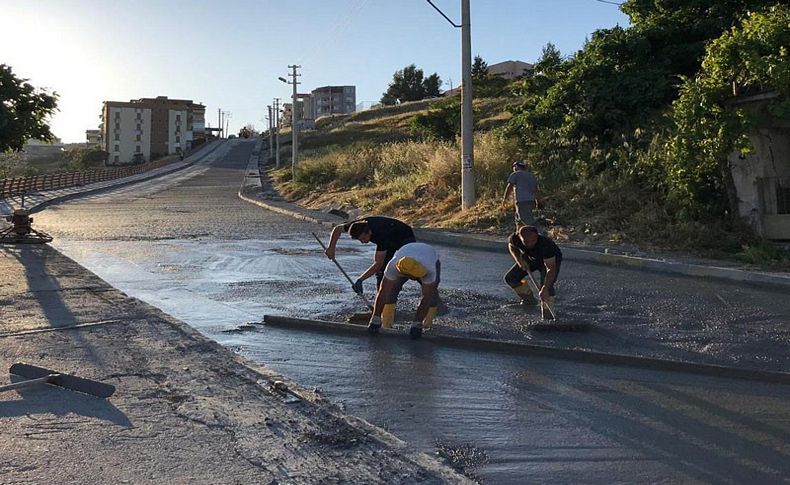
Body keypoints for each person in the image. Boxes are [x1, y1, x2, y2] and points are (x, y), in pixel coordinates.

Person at [325, 216, 416, 295]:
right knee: (381, 273)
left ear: (369, 232)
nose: (363, 242)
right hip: (389, 235)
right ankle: (381, 300)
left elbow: (377, 264)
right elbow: (337, 229)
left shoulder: (381, 235)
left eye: (364, 238)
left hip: (404, 236)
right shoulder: (356, 226)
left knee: (408, 267)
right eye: (360, 240)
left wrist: (360, 280)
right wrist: (331, 248)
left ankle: (426, 290)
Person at [368, 242, 441, 338]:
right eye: (413, 277)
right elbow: (383, 292)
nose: (414, 279)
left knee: (432, 296)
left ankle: (427, 325)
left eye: (417, 277)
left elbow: (425, 299)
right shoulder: (392, 267)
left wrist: (416, 324)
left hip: (429, 256)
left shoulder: (429, 270)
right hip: (405, 255)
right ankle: (385, 323)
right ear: (405, 275)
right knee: (390, 292)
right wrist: (375, 318)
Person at [503, 225, 562, 319]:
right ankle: (529, 300)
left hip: (548, 261)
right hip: (530, 258)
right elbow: (512, 246)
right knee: (511, 278)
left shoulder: (546, 245)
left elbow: (550, 269)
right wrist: (519, 260)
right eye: (526, 242)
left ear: (537, 236)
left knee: (547, 287)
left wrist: (545, 288)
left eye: (533, 241)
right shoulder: (515, 238)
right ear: (519, 236)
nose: (530, 244)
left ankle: (548, 316)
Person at [501, 160, 538, 227]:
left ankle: (542, 234)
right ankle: (519, 235)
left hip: (522, 201)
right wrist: (537, 200)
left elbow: (510, 187)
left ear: (516, 166)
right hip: (531, 200)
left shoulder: (515, 174)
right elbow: (535, 190)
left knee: (527, 220)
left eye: (513, 166)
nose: (513, 168)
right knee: (518, 219)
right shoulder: (531, 176)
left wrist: (505, 199)